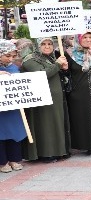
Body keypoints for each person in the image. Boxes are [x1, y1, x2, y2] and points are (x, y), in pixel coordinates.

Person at [21, 37, 71, 162]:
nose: (47, 46)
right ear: (37, 46)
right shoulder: (30, 60)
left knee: (56, 124)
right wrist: (58, 65)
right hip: (41, 99)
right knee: (45, 125)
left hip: (56, 97)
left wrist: (64, 69)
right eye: (43, 44)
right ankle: (46, 153)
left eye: (49, 44)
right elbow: (42, 75)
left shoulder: (52, 58)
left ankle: (60, 151)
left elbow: (57, 73)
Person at [0, 41, 26, 172]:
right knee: (1, 133)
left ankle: (14, 159)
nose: (10, 59)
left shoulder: (14, 67)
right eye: (7, 55)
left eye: (12, 56)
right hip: (1, 111)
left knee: (15, 132)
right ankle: (2, 162)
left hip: (13, 108)